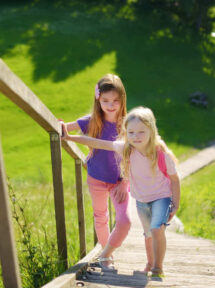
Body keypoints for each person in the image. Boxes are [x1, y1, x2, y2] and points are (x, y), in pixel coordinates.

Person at [61, 106, 181, 278]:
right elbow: (99, 143)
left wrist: (175, 203)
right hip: (141, 200)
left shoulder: (161, 153)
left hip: (162, 197)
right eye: (131, 132)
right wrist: (69, 137)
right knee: (148, 234)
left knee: (156, 230)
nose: (135, 136)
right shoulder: (127, 148)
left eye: (141, 132)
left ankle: (157, 268)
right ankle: (149, 263)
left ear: (151, 131)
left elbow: (175, 179)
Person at [62, 74, 130, 271]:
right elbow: (65, 127)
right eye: (106, 100)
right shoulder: (92, 121)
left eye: (116, 101)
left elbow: (131, 155)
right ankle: (106, 257)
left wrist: (124, 183)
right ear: (98, 99)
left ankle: (108, 251)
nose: (111, 105)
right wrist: (60, 127)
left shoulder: (128, 124)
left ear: (122, 100)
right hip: (96, 178)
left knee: (125, 221)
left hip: (119, 181)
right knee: (100, 216)